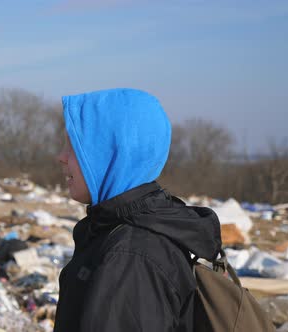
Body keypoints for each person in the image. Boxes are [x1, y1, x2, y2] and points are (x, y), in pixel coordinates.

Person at [53, 88, 222, 331]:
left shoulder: (130, 258)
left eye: (73, 145)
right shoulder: (131, 231)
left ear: (112, 152)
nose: (61, 156)